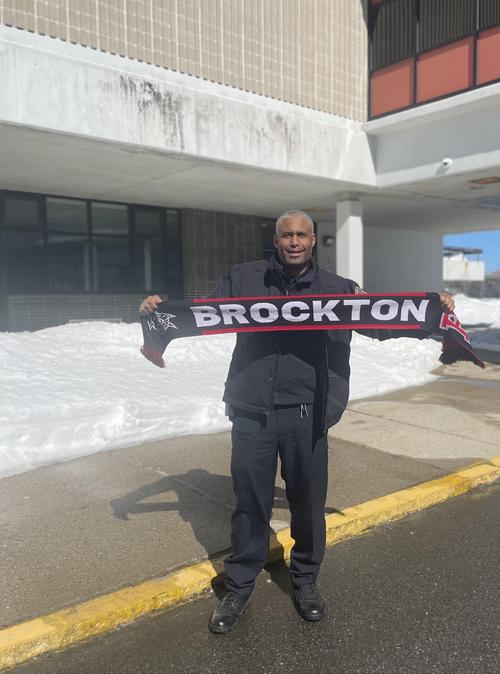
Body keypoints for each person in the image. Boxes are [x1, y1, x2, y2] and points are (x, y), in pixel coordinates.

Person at [139, 210, 455, 634]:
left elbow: (381, 323)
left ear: (313, 240)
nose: (293, 242)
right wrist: (161, 312)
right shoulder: (243, 279)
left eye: (301, 235)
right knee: (250, 504)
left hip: (307, 414)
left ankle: (305, 580)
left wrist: (434, 313)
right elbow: (203, 313)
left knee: (307, 503)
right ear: (276, 240)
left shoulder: (339, 290)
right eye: (286, 235)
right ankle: (239, 585)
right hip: (251, 412)